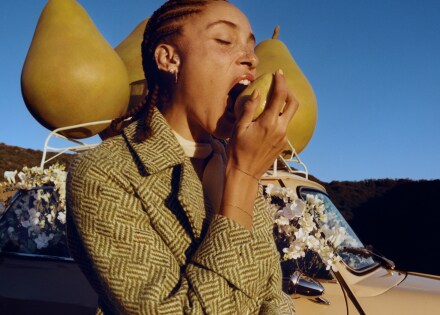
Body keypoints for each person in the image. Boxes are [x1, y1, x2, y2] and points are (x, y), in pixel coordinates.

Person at [66, 0, 299, 314]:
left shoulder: (234, 160)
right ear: (169, 58)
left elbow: (271, 294)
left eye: (251, 47)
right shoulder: (104, 172)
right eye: (224, 41)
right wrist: (242, 177)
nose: (250, 59)